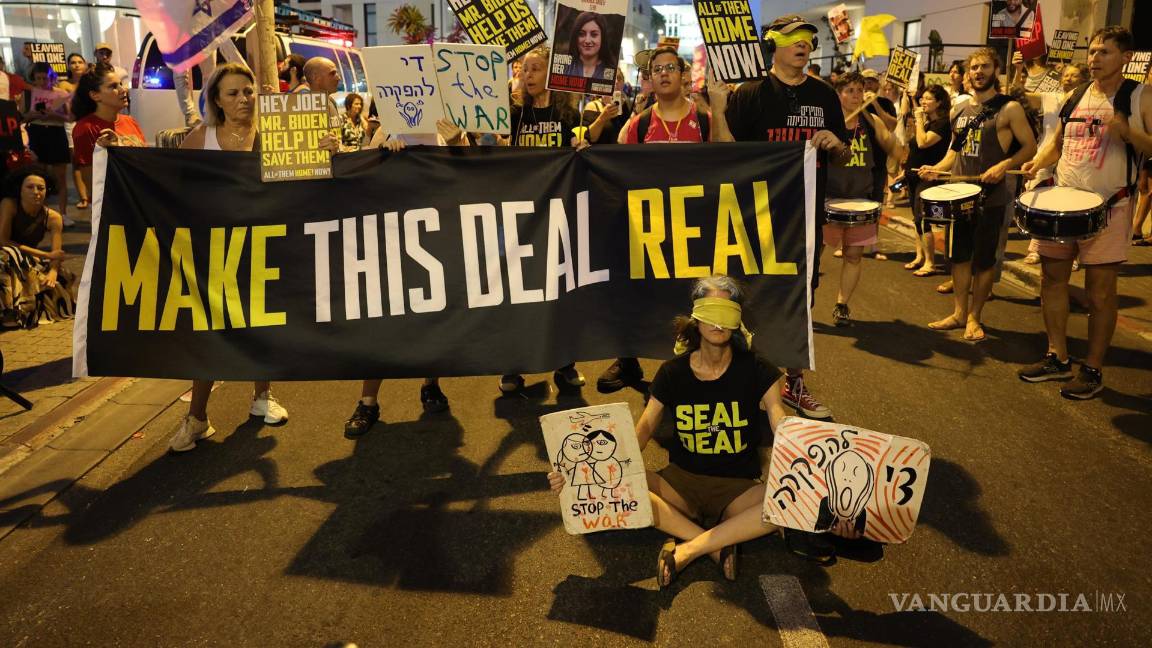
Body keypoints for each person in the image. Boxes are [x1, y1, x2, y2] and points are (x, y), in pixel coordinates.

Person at [548, 275, 784, 587]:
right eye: (710, 312)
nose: (717, 323)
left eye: (727, 312)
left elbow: (779, 420)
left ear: (738, 319)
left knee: (782, 502)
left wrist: (808, 462)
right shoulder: (673, 372)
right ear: (696, 319)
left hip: (738, 488)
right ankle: (716, 543)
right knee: (620, 483)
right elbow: (644, 428)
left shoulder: (758, 369)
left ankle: (688, 550)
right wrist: (581, 471)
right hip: (679, 484)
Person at [712, 13, 849, 422]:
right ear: (773, 43)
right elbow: (724, 151)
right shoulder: (751, 93)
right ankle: (742, 379)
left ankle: (794, 382)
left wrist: (834, 142)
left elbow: (840, 152)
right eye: (792, 36)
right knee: (748, 296)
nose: (803, 42)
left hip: (803, 220)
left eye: (807, 36)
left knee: (800, 300)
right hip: (752, 219)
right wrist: (719, 109)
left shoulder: (825, 96)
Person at [1018, 26, 1152, 399]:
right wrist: (1036, 162)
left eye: (1104, 52)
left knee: (1100, 294)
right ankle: (1057, 356)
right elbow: (1057, 143)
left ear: (1125, 57)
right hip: (1064, 204)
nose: (1094, 58)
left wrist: (1127, 132)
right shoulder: (1075, 94)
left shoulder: (1140, 96)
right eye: (1092, 51)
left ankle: (1092, 369)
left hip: (1110, 207)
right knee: (1052, 281)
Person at [169, 63, 289, 452]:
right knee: (209, 333)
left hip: (262, 244)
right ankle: (197, 417)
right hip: (212, 250)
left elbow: (304, 180)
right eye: (234, 93)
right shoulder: (202, 137)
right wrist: (117, 152)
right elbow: (166, 178)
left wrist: (327, 151)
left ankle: (263, 396)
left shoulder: (272, 134)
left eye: (249, 91)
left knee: (261, 324)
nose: (244, 99)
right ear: (216, 101)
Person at [597, 49, 714, 394]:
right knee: (633, 292)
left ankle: (693, 364)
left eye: (670, 68)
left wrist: (719, 111)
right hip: (648, 227)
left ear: (683, 74)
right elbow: (615, 167)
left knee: (690, 296)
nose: (663, 74)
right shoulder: (640, 124)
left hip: (693, 227)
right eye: (656, 69)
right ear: (650, 78)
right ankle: (628, 361)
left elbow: (728, 159)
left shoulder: (705, 119)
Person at [343, 118, 468, 437]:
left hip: (435, 234)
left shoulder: (446, 126)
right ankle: (368, 400)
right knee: (383, 317)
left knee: (434, 314)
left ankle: (431, 385)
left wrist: (456, 142)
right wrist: (383, 155)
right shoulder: (386, 128)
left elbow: (470, 175)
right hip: (392, 239)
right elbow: (362, 174)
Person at [919, 48, 1036, 343]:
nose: (978, 72)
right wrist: (936, 169)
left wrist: (1004, 165)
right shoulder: (958, 109)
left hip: (991, 197)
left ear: (996, 69)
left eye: (984, 66)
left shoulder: (1008, 108)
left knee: (983, 261)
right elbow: (953, 154)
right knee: (958, 258)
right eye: (973, 67)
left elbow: (1030, 148)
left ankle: (975, 316)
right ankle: (959, 313)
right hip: (959, 195)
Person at [502, 45, 586, 393]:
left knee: (560, 292)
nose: (527, 76)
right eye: (524, 70)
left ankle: (565, 363)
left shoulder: (568, 114)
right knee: (520, 291)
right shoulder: (512, 112)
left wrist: (582, 149)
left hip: (558, 214)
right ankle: (514, 363)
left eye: (536, 69)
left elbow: (579, 161)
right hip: (520, 215)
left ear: (551, 74)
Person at [825, 72, 905, 326]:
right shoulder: (827, 123)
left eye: (859, 91)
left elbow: (897, 150)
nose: (856, 96)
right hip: (827, 198)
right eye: (849, 91)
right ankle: (805, 303)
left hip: (861, 200)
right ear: (838, 94)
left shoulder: (871, 123)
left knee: (853, 256)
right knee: (813, 255)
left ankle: (842, 305)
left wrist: (887, 127)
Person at [1012, 61, 1089, 264]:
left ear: (1085, 79)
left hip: (1074, 160)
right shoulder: (1051, 98)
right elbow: (1019, 97)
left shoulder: (1089, 102)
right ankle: (1037, 248)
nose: (1067, 78)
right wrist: (1019, 70)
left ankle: (1074, 254)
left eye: (1073, 76)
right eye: (1065, 75)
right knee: (1040, 202)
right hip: (1045, 158)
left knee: (1073, 206)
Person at [0, 165, 76, 327]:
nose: (36, 192)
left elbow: (57, 253)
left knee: (60, 279)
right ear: (19, 190)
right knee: (6, 258)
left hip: (27, 258)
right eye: (30, 187)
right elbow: (4, 241)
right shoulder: (9, 205)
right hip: (5, 253)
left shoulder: (53, 217)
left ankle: (24, 311)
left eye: (40, 188)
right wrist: (45, 256)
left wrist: (53, 272)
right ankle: (8, 312)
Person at [71, 63, 146, 205]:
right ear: (95, 95)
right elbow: (92, 183)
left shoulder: (130, 121)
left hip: (141, 199)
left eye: (121, 84)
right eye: (113, 87)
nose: (123, 90)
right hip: (115, 207)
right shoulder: (85, 129)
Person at [904, 85, 953, 275]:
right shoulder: (926, 123)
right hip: (913, 175)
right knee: (917, 220)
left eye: (928, 99)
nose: (923, 102)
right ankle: (920, 256)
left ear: (939, 102)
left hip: (928, 177)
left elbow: (924, 142)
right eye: (922, 98)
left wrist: (917, 118)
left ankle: (930, 262)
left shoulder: (942, 124)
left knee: (923, 218)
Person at [24, 63, 72, 223]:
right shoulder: (30, 93)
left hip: (55, 133)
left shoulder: (61, 93)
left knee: (60, 176)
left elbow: (70, 117)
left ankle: (63, 214)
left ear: (52, 77)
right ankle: (38, 213)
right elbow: (23, 117)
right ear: (34, 78)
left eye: (46, 78)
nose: (43, 81)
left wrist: (54, 115)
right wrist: (33, 114)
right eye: (38, 78)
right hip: (37, 132)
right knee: (38, 176)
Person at [58, 53, 91, 209]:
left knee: (92, 159)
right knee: (77, 161)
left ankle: (93, 193)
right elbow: (58, 107)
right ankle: (84, 197)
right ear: (68, 66)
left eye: (80, 62)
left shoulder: (90, 82)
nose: (77, 65)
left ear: (85, 64)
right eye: (73, 62)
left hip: (89, 122)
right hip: (72, 124)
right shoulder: (64, 84)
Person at [564, 12, 612, 81]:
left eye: (594, 35)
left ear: (603, 38)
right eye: (581, 34)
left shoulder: (612, 72)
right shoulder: (564, 68)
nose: (587, 41)